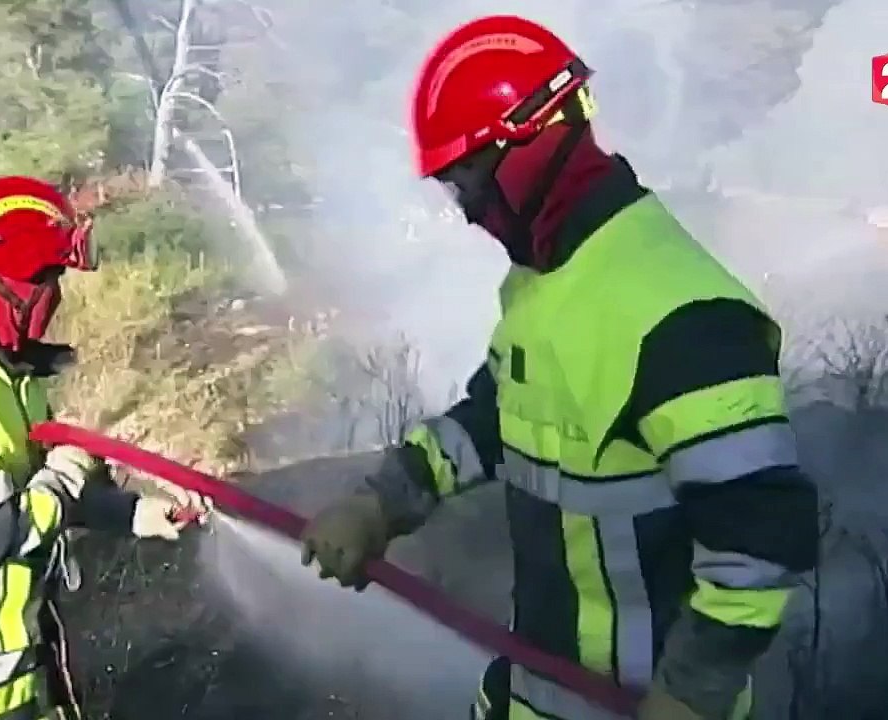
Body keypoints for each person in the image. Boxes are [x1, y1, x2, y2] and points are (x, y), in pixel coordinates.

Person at [298, 15, 818, 720]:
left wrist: (692, 694)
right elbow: (489, 418)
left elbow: (762, 539)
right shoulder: (547, 279)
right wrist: (380, 504)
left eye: (468, 180)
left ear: (527, 145)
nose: (469, 212)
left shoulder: (684, 315)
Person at [0, 175, 210, 720]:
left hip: (11, 672)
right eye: (51, 279)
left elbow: (36, 490)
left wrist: (132, 513)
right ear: (14, 285)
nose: (57, 297)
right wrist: (66, 474)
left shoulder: (2, 375)